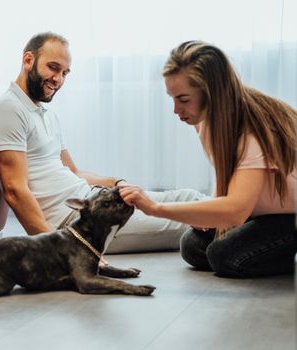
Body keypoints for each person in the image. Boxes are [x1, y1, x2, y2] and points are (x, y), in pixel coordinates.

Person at [0, 32, 207, 257]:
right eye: (53, 67)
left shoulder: (44, 114)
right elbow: (15, 190)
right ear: (28, 60)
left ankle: (239, 213)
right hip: (76, 223)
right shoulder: (7, 109)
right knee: (189, 220)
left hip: (95, 201)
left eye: (65, 73)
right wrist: (57, 250)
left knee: (190, 198)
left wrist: (116, 183)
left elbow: (74, 172)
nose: (58, 79)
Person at [119, 40, 297, 277]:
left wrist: (155, 208)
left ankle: (286, 255)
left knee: (223, 257)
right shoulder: (206, 120)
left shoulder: (251, 132)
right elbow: (232, 179)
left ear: (212, 94)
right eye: (173, 99)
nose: (176, 110)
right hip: (263, 214)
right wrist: (208, 212)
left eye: (183, 100)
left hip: (288, 218)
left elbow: (235, 211)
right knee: (192, 246)